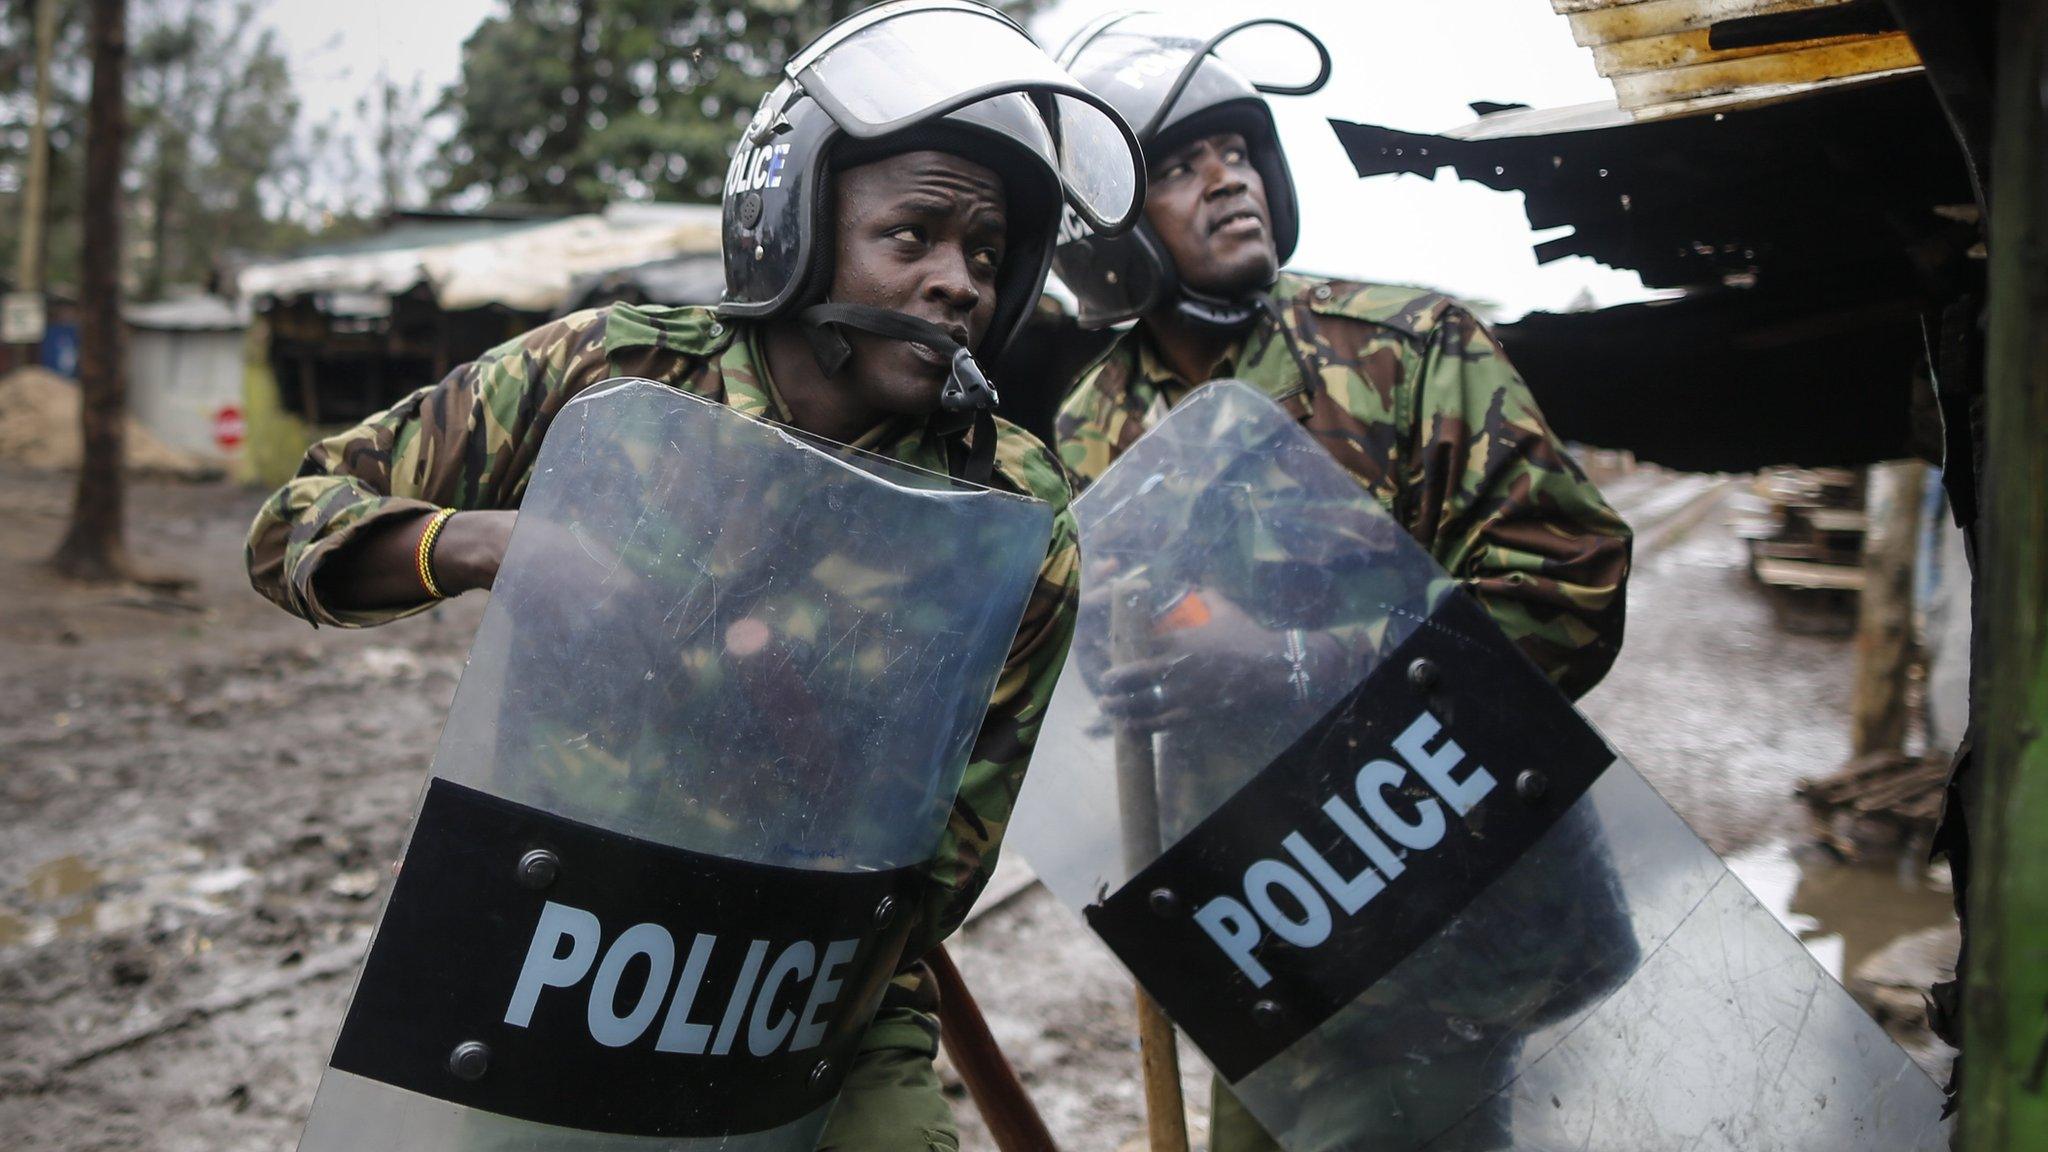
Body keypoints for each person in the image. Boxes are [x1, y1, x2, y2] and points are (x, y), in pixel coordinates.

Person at [245, 6, 1146, 1149]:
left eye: (985, 254)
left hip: (816, 989)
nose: (956, 281)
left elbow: (948, 850)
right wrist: (476, 546)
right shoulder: (612, 372)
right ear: (795, 228)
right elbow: (293, 523)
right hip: (560, 946)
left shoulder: (1014, 510)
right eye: (911, 234)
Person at [1049, 15, 1634, 1152]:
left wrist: (1292, 664)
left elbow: (1567, 590)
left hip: (1441, 913)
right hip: (1257, 932)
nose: (1228, 182)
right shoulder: (1087, 426)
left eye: (1236, 153)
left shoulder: (1407, 349)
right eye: (1177, 167)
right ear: (1106, 233)